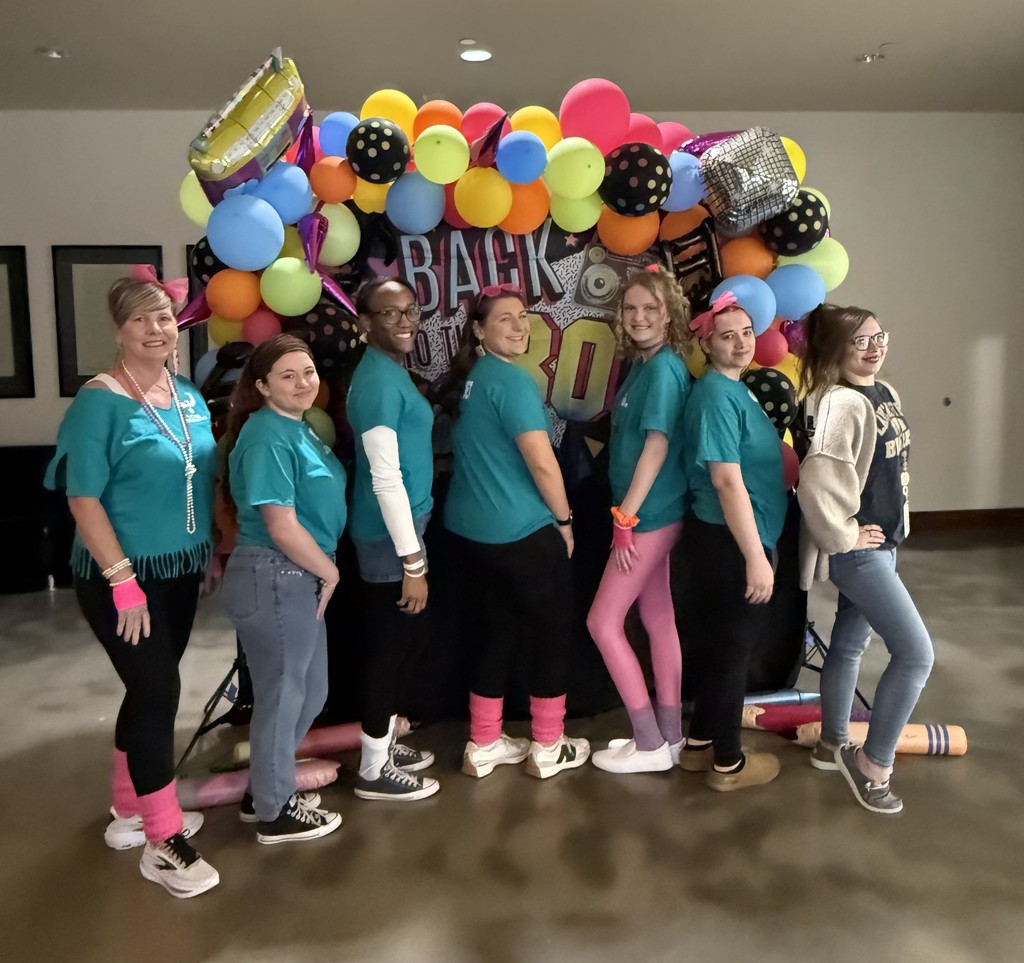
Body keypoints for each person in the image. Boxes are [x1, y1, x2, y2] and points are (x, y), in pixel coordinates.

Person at [44, 267, 220, 898]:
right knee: (158, 690)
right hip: (122, 575)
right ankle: (162, 841)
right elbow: (83, 497)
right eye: (141, 318)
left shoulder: (187, 395)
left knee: (148, 691)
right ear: (118, 330)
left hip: (179, 569)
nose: (156, 328)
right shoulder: (100, 401)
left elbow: (197, 481)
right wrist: (122, 580)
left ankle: (129, 811)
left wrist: (207, 554)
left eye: (165, 317)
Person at [444, 285, 590, 779]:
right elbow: (542, 462)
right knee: (550, 635)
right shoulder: (511, 381)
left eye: (522, 317)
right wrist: (566, 521)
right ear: (479, 331)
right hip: (520, 531)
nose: (518, 326)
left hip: (471, 533)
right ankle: (549, 746)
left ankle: (484, 742)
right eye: (504, 319)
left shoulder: (473, 380)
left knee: (496, 632)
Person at [797, 303, 933, 814]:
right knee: (916, 655)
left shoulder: (884, 392)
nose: (876, 348)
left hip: (884, 544)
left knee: (849, 647)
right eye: (862, 342)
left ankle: (833, 743)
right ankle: (873, 764)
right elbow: (815, 482)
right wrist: (843, 535)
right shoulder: (840, 403)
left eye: (880, 337)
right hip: (861, 554)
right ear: (836, 350)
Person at [221, 334, 345, 843]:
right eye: (287, 375)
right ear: (262, 385)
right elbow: (280, 523)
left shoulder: (298, 429)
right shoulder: (266, 434)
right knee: (283, 694)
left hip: (298, 574)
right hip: (275, 574)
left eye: (308, 372)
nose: (302, 383)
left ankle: (266, 785)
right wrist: (331, 572)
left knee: (309, 692)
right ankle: (274, 810)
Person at [678, 292, 787, 791]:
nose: (742, 343)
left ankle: (701, 743)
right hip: (730, 541)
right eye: (728, 335)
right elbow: (726, 481)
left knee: (720, 646)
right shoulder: (716, 397)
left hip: (730, 537)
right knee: (733, 653)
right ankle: (728, 764)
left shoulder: (732, 388)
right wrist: (755, 559)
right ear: (708, 342)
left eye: (746, 332)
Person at [587, 267, 692, 774]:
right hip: (651, 515)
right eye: (630, 309)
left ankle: (649, 741)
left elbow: (657, 444)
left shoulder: (665, 370)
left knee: (603, 623)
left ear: (669, 314)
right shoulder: (644, 366)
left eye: (650, 308)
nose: (639, 317)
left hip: (648, 518)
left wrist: (625, 517)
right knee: (657, 619)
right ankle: (669, 737)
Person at [346, 277, 439, 801]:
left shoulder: (387, 372)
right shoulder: (379, 381)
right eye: (389, 314)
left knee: (401, 644)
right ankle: (373, 770)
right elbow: (385, 478)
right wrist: (412, 561)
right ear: (364, 324)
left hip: (403, 533)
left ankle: (380, 740)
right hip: (390, 539)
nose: (405, 322)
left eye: (410, 310)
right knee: (388, 648)